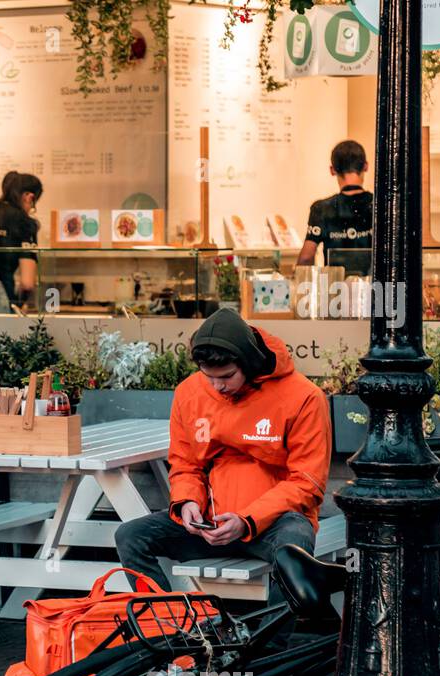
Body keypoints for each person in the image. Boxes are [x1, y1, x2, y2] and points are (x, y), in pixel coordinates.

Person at [113, 308, 331, 609]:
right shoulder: (189, 393)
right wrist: (188, 502)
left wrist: (247, 521)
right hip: (211, 523)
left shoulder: (304, 397)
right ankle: (168, 630)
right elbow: (186, 464)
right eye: (209, 377)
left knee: (295, 545)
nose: (217, 386)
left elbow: (307, 482)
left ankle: (269, 651)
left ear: (250, 363)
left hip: (273, 525)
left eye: (227, 376)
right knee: (130, 536)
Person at [296, 139, 373, 277]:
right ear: (366, 166)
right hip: (375, 290)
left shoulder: (321, 208)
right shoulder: (378, 206)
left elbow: (306, 258)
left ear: (332, 170)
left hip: (336, 292)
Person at [0, 172, 42, 310]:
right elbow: (27, 283)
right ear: (29, 196)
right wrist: (19, 302)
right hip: (2, 299)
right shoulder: (25, 223)